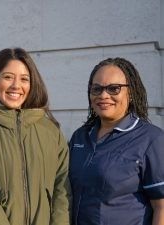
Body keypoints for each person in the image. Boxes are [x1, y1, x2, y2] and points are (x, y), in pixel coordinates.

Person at [0, 47, 72, 225]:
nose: (16, 86)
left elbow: (62, 190)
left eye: (24, 79)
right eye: (8, 77)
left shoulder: (51, 131)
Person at [69, 57, 164, 225]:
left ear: (131, 93)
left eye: (114, 89)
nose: (104, 95)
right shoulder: (79, 137)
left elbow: (161, 207)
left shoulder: (151, 139)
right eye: (97, 89)